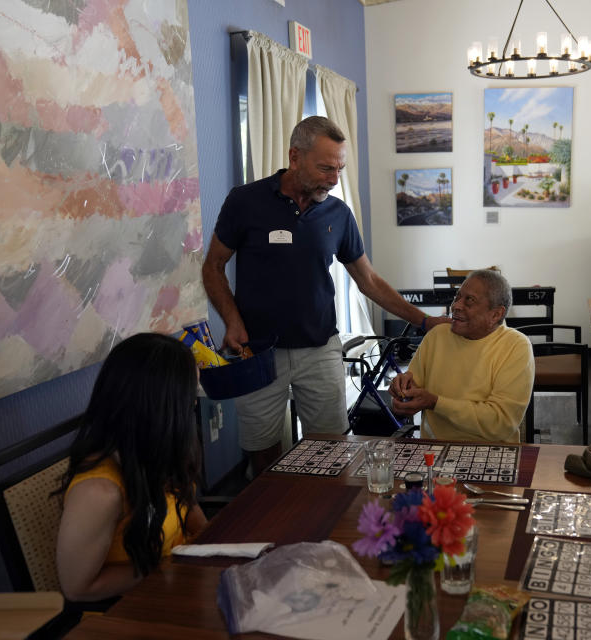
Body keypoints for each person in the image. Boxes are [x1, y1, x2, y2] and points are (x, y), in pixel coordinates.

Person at [202, 116, 448, 473]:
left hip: (319, 350)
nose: (334, 180)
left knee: (332, 452)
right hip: (257, 352)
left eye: (339, 169)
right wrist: (232, 320)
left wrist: (425, 320)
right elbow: (212, 266)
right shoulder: (245, 201)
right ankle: (274, 524)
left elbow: (369, 281)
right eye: (325, 168)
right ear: (294, 156)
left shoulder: (338, 213)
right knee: (263, 453)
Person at [55, 333, 207, 601]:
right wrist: (170, 567)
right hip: (139, 606)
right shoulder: (99, 493)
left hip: (184, 583)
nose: (195, 404)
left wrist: (213, 545)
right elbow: (78, 588)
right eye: (190, 396)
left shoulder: (157, 450)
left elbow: (187, 505)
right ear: (160, 408)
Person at [387, 269, 534, 442]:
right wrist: (401, 395)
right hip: (435, 451)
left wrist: (436, 403)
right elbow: (409, 394)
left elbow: (500, 423)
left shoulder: (515, 346)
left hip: (493, 452)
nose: (455, 305)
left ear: (496, 314)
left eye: (469, 300)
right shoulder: (437, 336)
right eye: (457, 297)